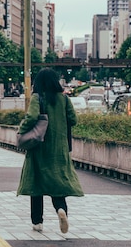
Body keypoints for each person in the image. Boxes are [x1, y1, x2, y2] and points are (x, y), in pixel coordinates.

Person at [16, 68, 84, 234]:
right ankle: (61, 209)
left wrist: (22, 129)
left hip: (40, 147)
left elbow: (31, 117)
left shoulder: (37, 98)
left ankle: (37, 222)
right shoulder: (64, 99)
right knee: (57, 183)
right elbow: (73, 120)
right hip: (60, 149)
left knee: (36, 184)